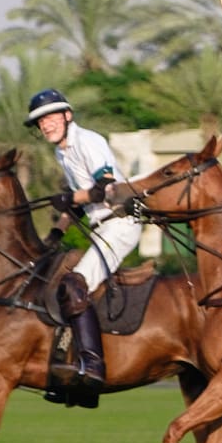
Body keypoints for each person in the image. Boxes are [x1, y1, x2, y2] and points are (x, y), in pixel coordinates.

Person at [26, 88, 143, 403]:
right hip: (102, 228)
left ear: (67, 115)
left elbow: (105, 187)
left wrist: (69, 197)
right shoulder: (61, 152)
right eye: (40, 122)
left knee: (75, 284)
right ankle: (70, 367)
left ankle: (92, 367)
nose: (46, 125)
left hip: (121, 223)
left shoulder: (88, 141)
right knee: (60, 283)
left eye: (50, 117)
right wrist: (55, 235)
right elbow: (76, 204)